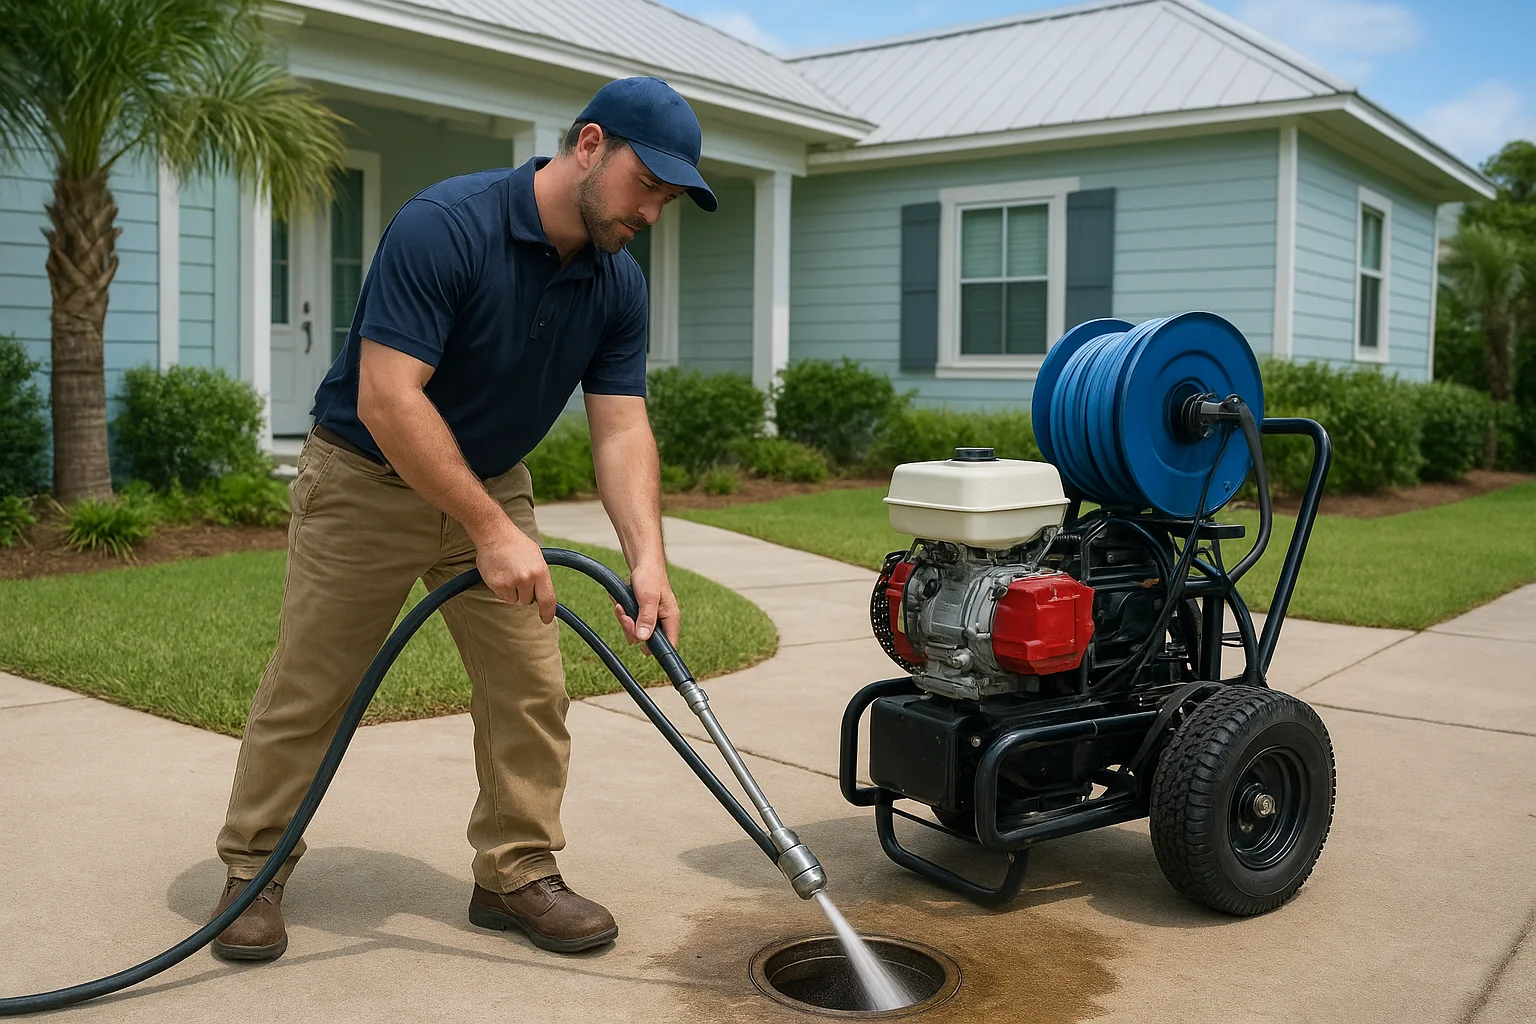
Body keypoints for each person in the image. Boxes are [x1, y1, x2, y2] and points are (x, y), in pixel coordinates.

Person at [208, 77, 717, 961]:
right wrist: (490, 530)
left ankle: (517, 874)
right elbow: (388, 398)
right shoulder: (445, 224)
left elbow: (621, 425)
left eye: (669, 199)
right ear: (590, 145)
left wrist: (649, 558)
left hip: (489, 479)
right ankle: (254, 868)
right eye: (648, 185)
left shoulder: (615, 282)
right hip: (364, 478)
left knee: (531, 686)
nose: (652, 214)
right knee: (313, 686)